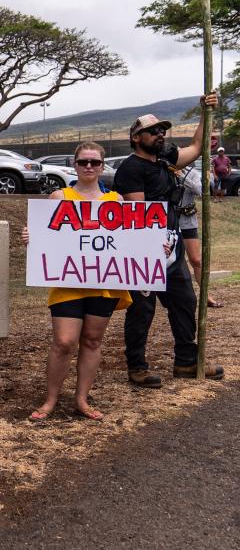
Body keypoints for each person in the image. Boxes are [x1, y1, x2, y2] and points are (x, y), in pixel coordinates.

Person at [113, 95, 225, 387]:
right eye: (154, 131)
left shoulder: (165, 158)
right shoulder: (130, 169)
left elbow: (197, 148)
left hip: (172, 249)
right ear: (137, 138)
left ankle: (186, 361)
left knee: (185, 301)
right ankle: (137, 367)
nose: (160, 134)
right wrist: (152, 246)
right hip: (144, 252)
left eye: (163, 130)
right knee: (142, 309)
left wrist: (204, 112)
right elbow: (138, 217)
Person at [23, 143, 133, 422]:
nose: (89, 167)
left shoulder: (116, 201)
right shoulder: (60, 197)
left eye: (95, 162)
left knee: (93, 340)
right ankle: (50, 399)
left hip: (104, 281)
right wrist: (31, 238)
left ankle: (82, 399)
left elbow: (129, 242)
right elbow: (45, 238)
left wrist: (156, 249)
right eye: (83, 161)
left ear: (102, 166)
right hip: (68, 281)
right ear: (74, 164)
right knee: (63, 341)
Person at [176, 165, 222, 308]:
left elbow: (199, 190)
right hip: (168, 220)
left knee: (196, 260)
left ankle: (206, 295)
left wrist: (181, 176)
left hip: (187, 220)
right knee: (170, 261)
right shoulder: (164, 170)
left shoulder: (192, 173)